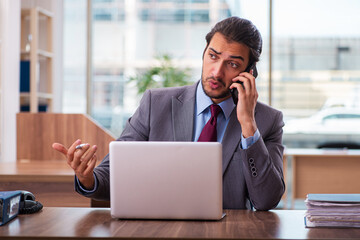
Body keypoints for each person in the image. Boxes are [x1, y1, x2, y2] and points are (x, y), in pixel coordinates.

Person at [53, 16, 285, 210]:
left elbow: (266, 200)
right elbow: (112, 175)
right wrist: (87, 177)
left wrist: (247, 125)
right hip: (159, 229)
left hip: (226, 232)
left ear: (249, 72)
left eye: (232, 64)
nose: (216, 71)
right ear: (204, 53)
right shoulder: (156, 103)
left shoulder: (267, 121)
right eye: (213, 56)